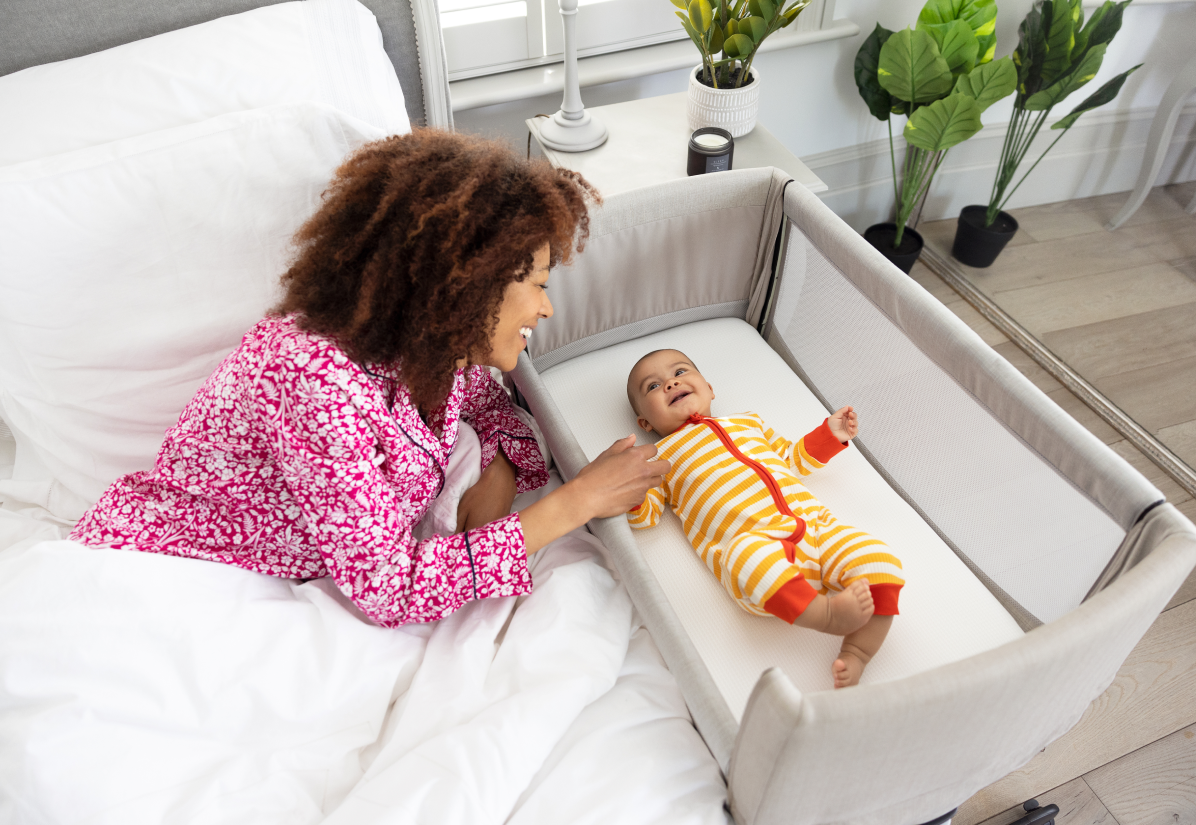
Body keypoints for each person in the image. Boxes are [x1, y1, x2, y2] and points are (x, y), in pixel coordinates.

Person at [68, 130, 670, 628]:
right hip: (185, 576)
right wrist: (577, 500)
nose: (546, 309)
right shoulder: (312, 380)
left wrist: (497, 481)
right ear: (467, 283)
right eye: (537, 283)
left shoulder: (437, 351)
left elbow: (492, 408)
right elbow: (389, 590)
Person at [624, 349, 904, 688]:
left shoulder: (747, 423)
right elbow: (646, 516)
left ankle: (858, 651)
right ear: (645, 423)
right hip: (757, 548)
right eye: (653, 386)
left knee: (880, 559)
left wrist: (830, 435)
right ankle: (824, 614)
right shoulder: (660, 459)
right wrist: (630, 489)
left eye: (680, 371)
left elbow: (792, 459)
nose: (671, 382)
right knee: (745, 556)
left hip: (817, 529)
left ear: (710, 388)